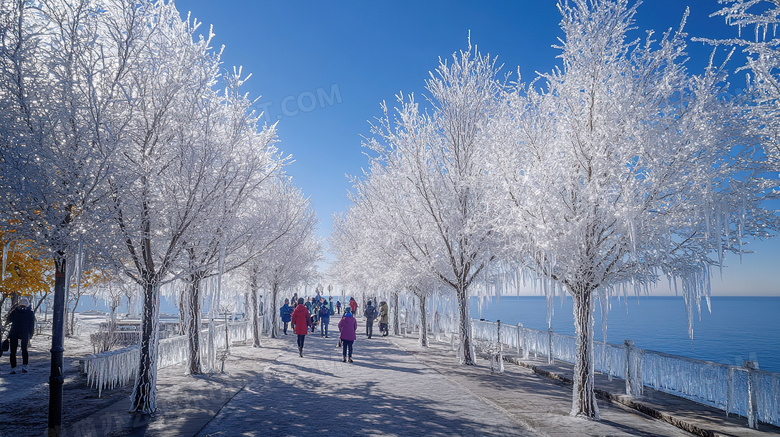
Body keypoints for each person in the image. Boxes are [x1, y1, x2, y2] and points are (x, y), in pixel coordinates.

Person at [5, 298, 35, 374]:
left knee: (13, 351)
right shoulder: (30, 313)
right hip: (25, 333)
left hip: (14, 332)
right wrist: (30, 335)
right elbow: (32, 325)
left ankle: (13, 368)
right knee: (24, 350)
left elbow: (8, 319)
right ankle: (24, 366)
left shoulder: (15, 312)